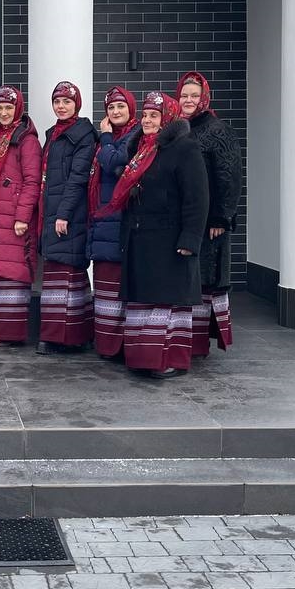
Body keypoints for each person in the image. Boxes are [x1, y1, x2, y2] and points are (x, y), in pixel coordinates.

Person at [99, 91, 208, 378]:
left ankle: (170, 360)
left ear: (167, 119)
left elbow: (197, 198)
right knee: (145, 301)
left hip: (170, 241)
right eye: (145, 115)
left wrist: (190, 238)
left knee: (167, 302)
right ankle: (144, 359)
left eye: (154, 116)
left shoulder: (184, 148)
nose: (147, 120)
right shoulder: (142, 148)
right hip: (141, 239)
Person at [176, 70, 242, 358]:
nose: (189, 100)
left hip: (210, 224)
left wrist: (220, 217)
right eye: (184, 95)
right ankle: (184, 339)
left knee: (205, 280)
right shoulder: (179, 127)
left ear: (204, 97)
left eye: (194, 95)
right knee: (188, 278)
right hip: (186, 218)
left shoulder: (217, 130)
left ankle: (198, 343)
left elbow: (229, 176)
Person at [0, 86, 41, 346]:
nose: (3, 113)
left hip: (14, 218)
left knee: (12, 272)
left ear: (18, 109)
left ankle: (10, 334)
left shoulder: (26, 139)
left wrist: (22, 216)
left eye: (8, 108)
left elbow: (33, 181)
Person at [37, 81, 98, 355]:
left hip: (69, 215)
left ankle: (69, 337)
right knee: (55, 276)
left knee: (68, 273)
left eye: (67, 101)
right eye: (57, 101)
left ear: (77, 104)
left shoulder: (83, 135)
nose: (61, 106)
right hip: (52, 211)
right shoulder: (54, 133)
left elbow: (77, 178)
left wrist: (63, 214)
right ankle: (58, 335)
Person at [87, 86, 139, 359]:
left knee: (119, 286)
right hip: (103, 217)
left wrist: (105, 137)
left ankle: (120, 346)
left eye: (120, 106)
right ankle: (107, 346)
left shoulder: (135, 134)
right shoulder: (110, 138)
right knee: (105, 285)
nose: (116, 112)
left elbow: (115, 161)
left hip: (120, 219)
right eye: (111, 107)